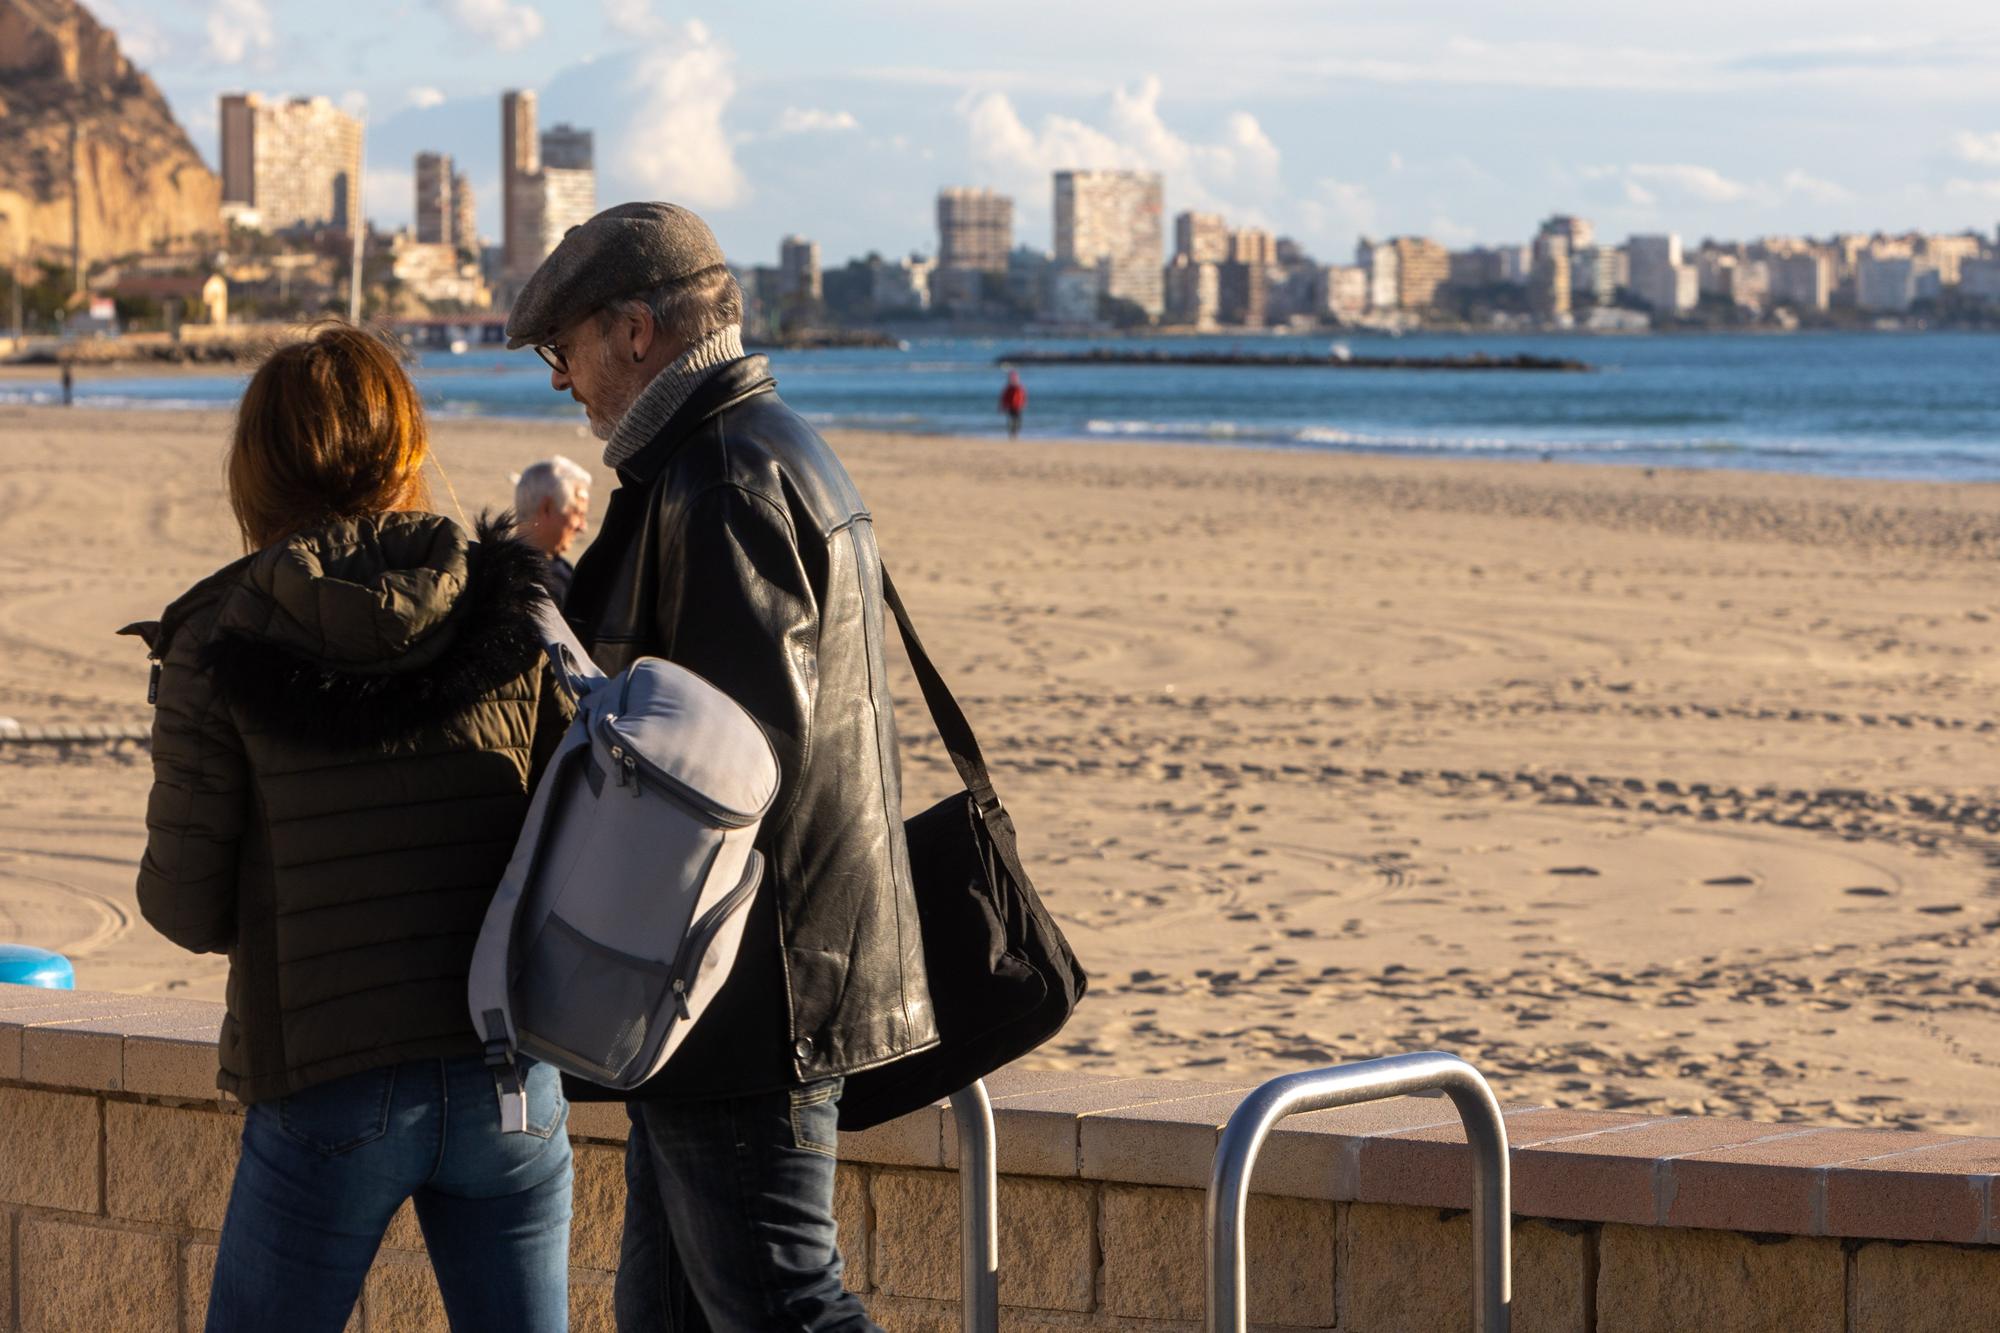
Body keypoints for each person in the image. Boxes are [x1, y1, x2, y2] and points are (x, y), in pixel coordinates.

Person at [507, 201, 936, 1332]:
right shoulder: (742, 452)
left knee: (784, 1305)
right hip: (728, 993)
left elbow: (712, 777)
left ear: (636, 332)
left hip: (748, 996)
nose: (564, 383)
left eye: (568, 350)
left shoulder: (723, 481)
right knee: (669, 1314)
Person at [128, 323, 575, 1333]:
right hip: (510, 1071)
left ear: (260, 468)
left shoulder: (219, 634)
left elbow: (184, 905)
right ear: (407, 450)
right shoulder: (511, 600)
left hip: (328, 1079)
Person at [512, 454, 592, 605]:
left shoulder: (489, 562)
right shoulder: (538, 582)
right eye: (577, 513)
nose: (583, 527)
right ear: (547, 508)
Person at [998, 368, 1025, 438]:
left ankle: (1015, 432)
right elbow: (1004, 397)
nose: (1013, 380)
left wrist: (1023, 403)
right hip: (1010, 406)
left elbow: (1023, 396)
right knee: (1011, 420)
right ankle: (1012, 433)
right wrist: (1002, 406)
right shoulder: (1008, 388)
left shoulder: (1019, 387)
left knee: (1018, 420)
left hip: (1018, 406)